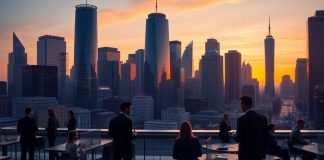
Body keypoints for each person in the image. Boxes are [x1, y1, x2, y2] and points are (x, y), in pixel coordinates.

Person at [234, 96, 268, 160]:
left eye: (241, 104)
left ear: (244, 105)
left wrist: (234, 136)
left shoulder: (241, 119)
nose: (241, 106)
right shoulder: (263, 118)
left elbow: (238, 138)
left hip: (245, 155)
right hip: (259, 154)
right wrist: (263, 153)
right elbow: (266, 137)